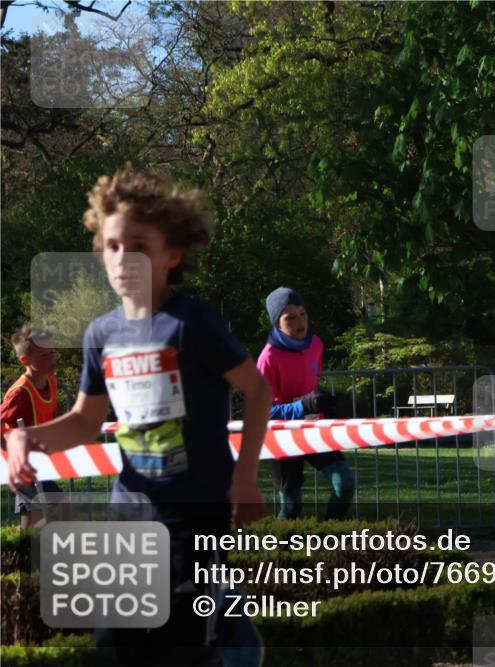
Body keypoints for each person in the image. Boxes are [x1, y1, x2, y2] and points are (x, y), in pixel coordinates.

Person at [4, 166, 272, 666]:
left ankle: (234, 642)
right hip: (129, 516)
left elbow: (258, 390)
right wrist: (26, 440)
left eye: (139, 247)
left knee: (182, 648)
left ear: (171, 256)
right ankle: (233, 635)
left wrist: (247, 477)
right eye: (111, 246)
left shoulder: (192, 322)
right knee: (114, 646)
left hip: (195, 516)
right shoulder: (100, 335)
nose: (122, 258)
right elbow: (84, 422)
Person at [257, 286, 355, 520]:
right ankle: (278, 555)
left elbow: (312, 385)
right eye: (290, 317)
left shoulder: (316, 344)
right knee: (291, 507)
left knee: (346, 484)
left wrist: (323, 402)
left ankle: (330, 542)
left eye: (302, 313)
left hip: (313, 429)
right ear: (277, 324)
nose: (299, 321)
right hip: (282, 436)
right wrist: (304, 406)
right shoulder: (268, 358)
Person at [1, 324, 63, 528]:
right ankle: (30, 550)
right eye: (44, 356)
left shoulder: (51, 382)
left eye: (52, 353)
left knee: (33, 515)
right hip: (21, 463)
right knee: (57, 508)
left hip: (39, 462)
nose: (51, 359)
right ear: (25, 361)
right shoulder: (19, 394)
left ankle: (19, 554)